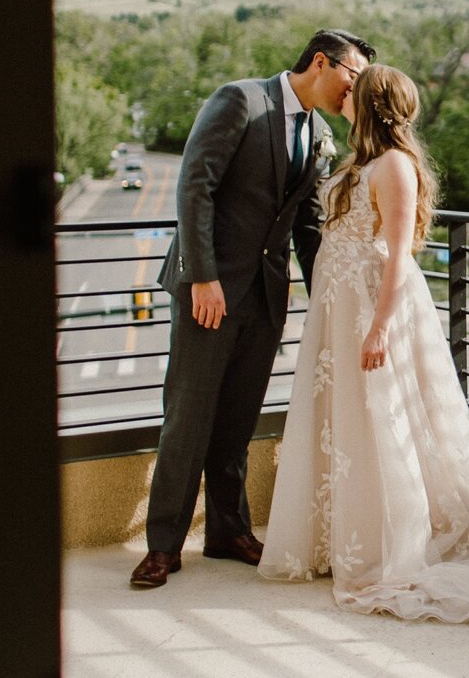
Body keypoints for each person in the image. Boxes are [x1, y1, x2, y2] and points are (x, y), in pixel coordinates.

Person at [259, 63, 469, 621]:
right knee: (347, 416)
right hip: (339, 310)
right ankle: (345, 535)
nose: (343, 95)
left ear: (372, 103)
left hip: (376, 309)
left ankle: (394, 544)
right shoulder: (360, 161)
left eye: (354, 91)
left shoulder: (395, 166)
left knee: (387, 419)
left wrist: (378, 328)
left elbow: (400, 254)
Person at [130, 29, 375, 589]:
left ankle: (227, 531)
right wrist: (203, 277)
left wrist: (328, 305)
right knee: (187, 420)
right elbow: (196, 186)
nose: (353, 91)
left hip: (266, 299)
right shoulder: (241, 99)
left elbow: (309, 229)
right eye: (353, 76)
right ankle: (162, 548)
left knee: (237, 423)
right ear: (322, 62)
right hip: (208, 294)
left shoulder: (317, 133)